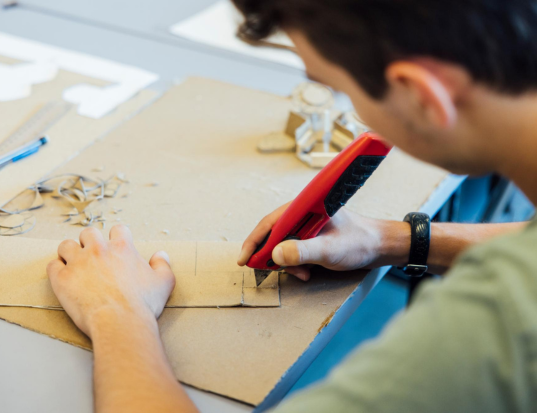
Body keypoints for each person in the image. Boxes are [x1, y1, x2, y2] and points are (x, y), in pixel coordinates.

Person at [47, 0, 537, 412]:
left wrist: (118, 314)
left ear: (420, 97)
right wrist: (393, 240)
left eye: (338, 89)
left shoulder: (498, 321)